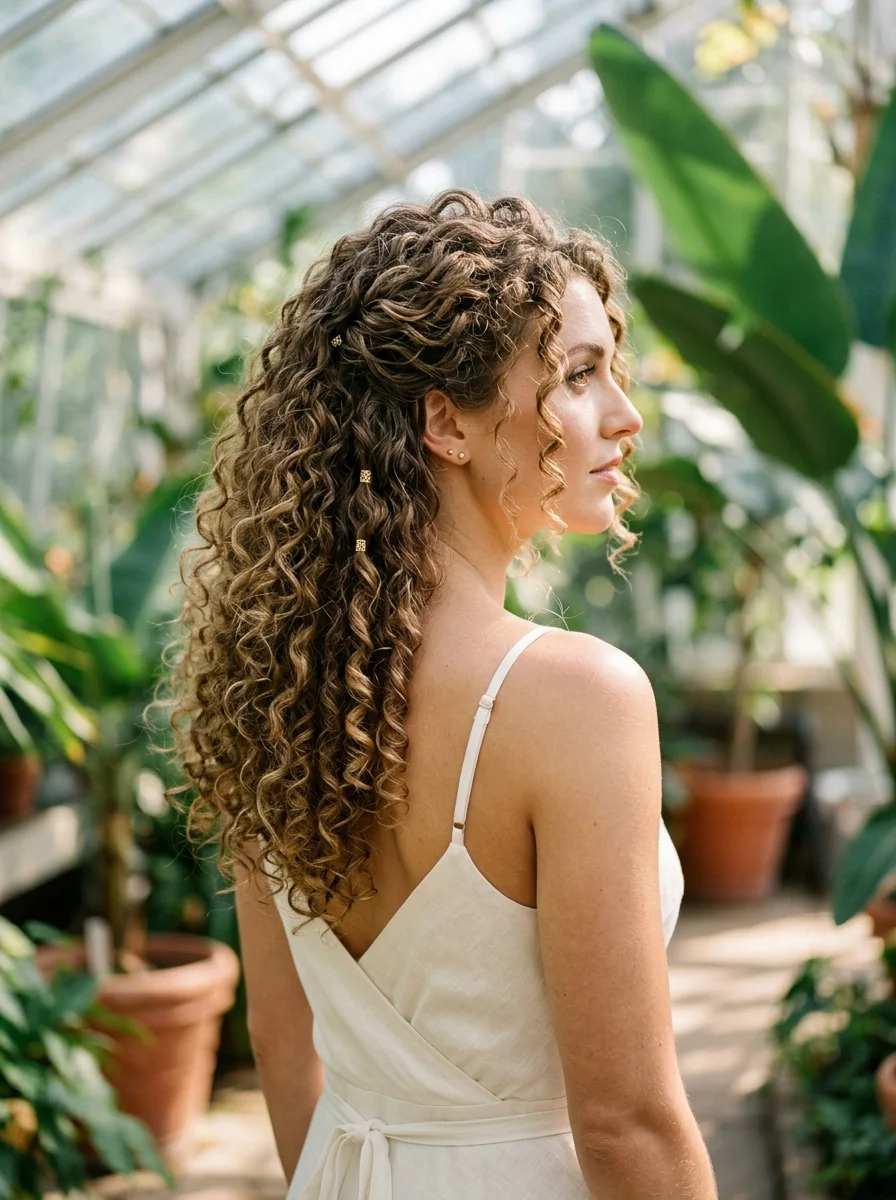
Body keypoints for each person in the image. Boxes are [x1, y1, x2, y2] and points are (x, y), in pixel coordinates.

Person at [164, 189, 718, 1199]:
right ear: (445, 423)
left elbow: (282, 1047)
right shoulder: (574, 697)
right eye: (579, 374)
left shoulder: (277, 683)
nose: (624, 415)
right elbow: (626, 1121)